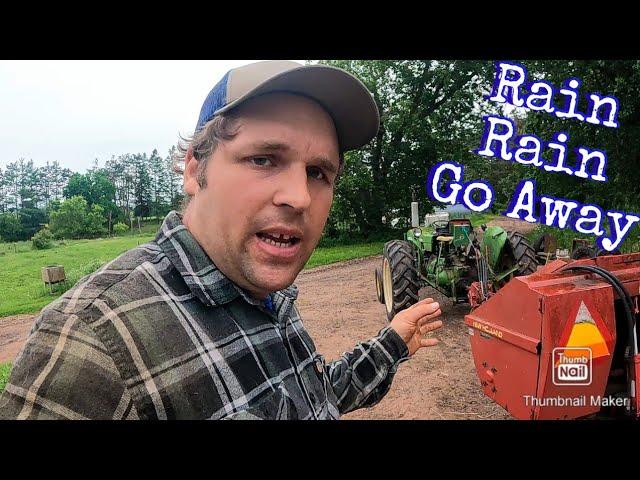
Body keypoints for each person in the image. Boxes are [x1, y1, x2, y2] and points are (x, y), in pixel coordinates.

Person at [0, 61, 443, 420]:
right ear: (195, 169)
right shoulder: (92, 345)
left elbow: (311, 397)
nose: (299, 196)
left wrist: (393, 341)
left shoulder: (264, 294)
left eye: (318, 172)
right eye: (263, 158)